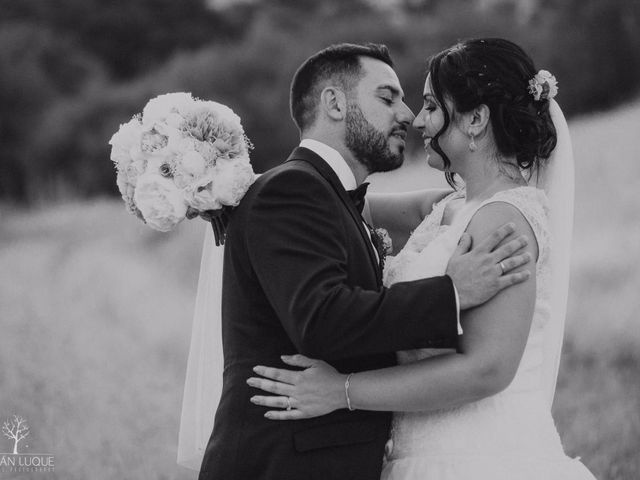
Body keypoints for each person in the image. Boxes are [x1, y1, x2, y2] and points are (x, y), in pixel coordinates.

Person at [247, 39, 598, 479]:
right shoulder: (447, 208)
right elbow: (331, 201)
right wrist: (221, 181)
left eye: (431, 105)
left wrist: (342, 391)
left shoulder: (505, 219)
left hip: (479, 456)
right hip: (418, 450)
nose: (418, 120)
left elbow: (487, 369)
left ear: (475, 119)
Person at [180, 43, 533, 480]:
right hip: (283, 464)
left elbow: (440, 207)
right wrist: (453, 292)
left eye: (412, 102)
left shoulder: (331, 197)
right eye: (388, 98)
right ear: (334, 103)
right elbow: (325, 318)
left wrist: (486, 195)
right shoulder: (292, 190)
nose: (407, 115)